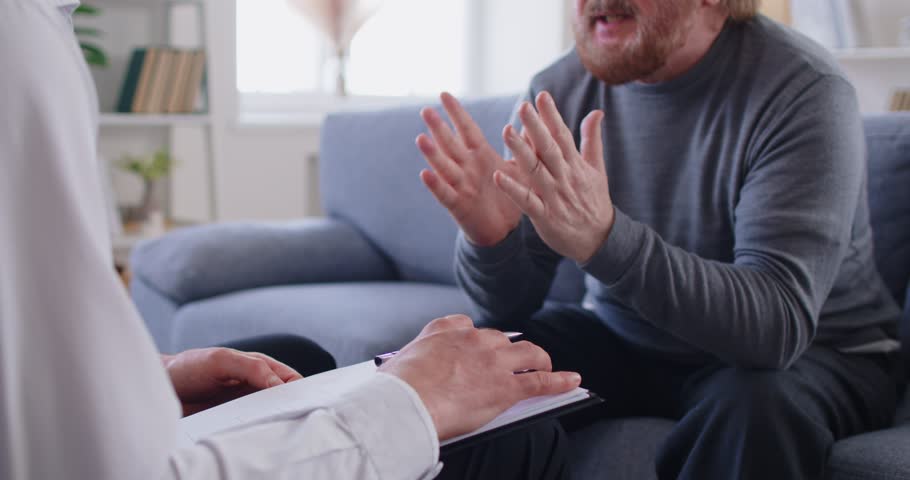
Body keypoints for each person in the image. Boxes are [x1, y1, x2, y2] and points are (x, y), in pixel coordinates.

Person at [0, 1, 583, 479]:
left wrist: (159, 375)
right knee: (517, 442)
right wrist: (409, 404)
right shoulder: (23, 44)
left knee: (291, 358)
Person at [416, 0, 902, 479]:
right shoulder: (558, 89)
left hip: (817, 353)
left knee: (755, 409)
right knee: (480, 370)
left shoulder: (802, 88)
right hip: (626, 335)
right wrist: (493, 240)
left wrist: (605, 240)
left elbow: (775, 329)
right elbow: (508, 307)